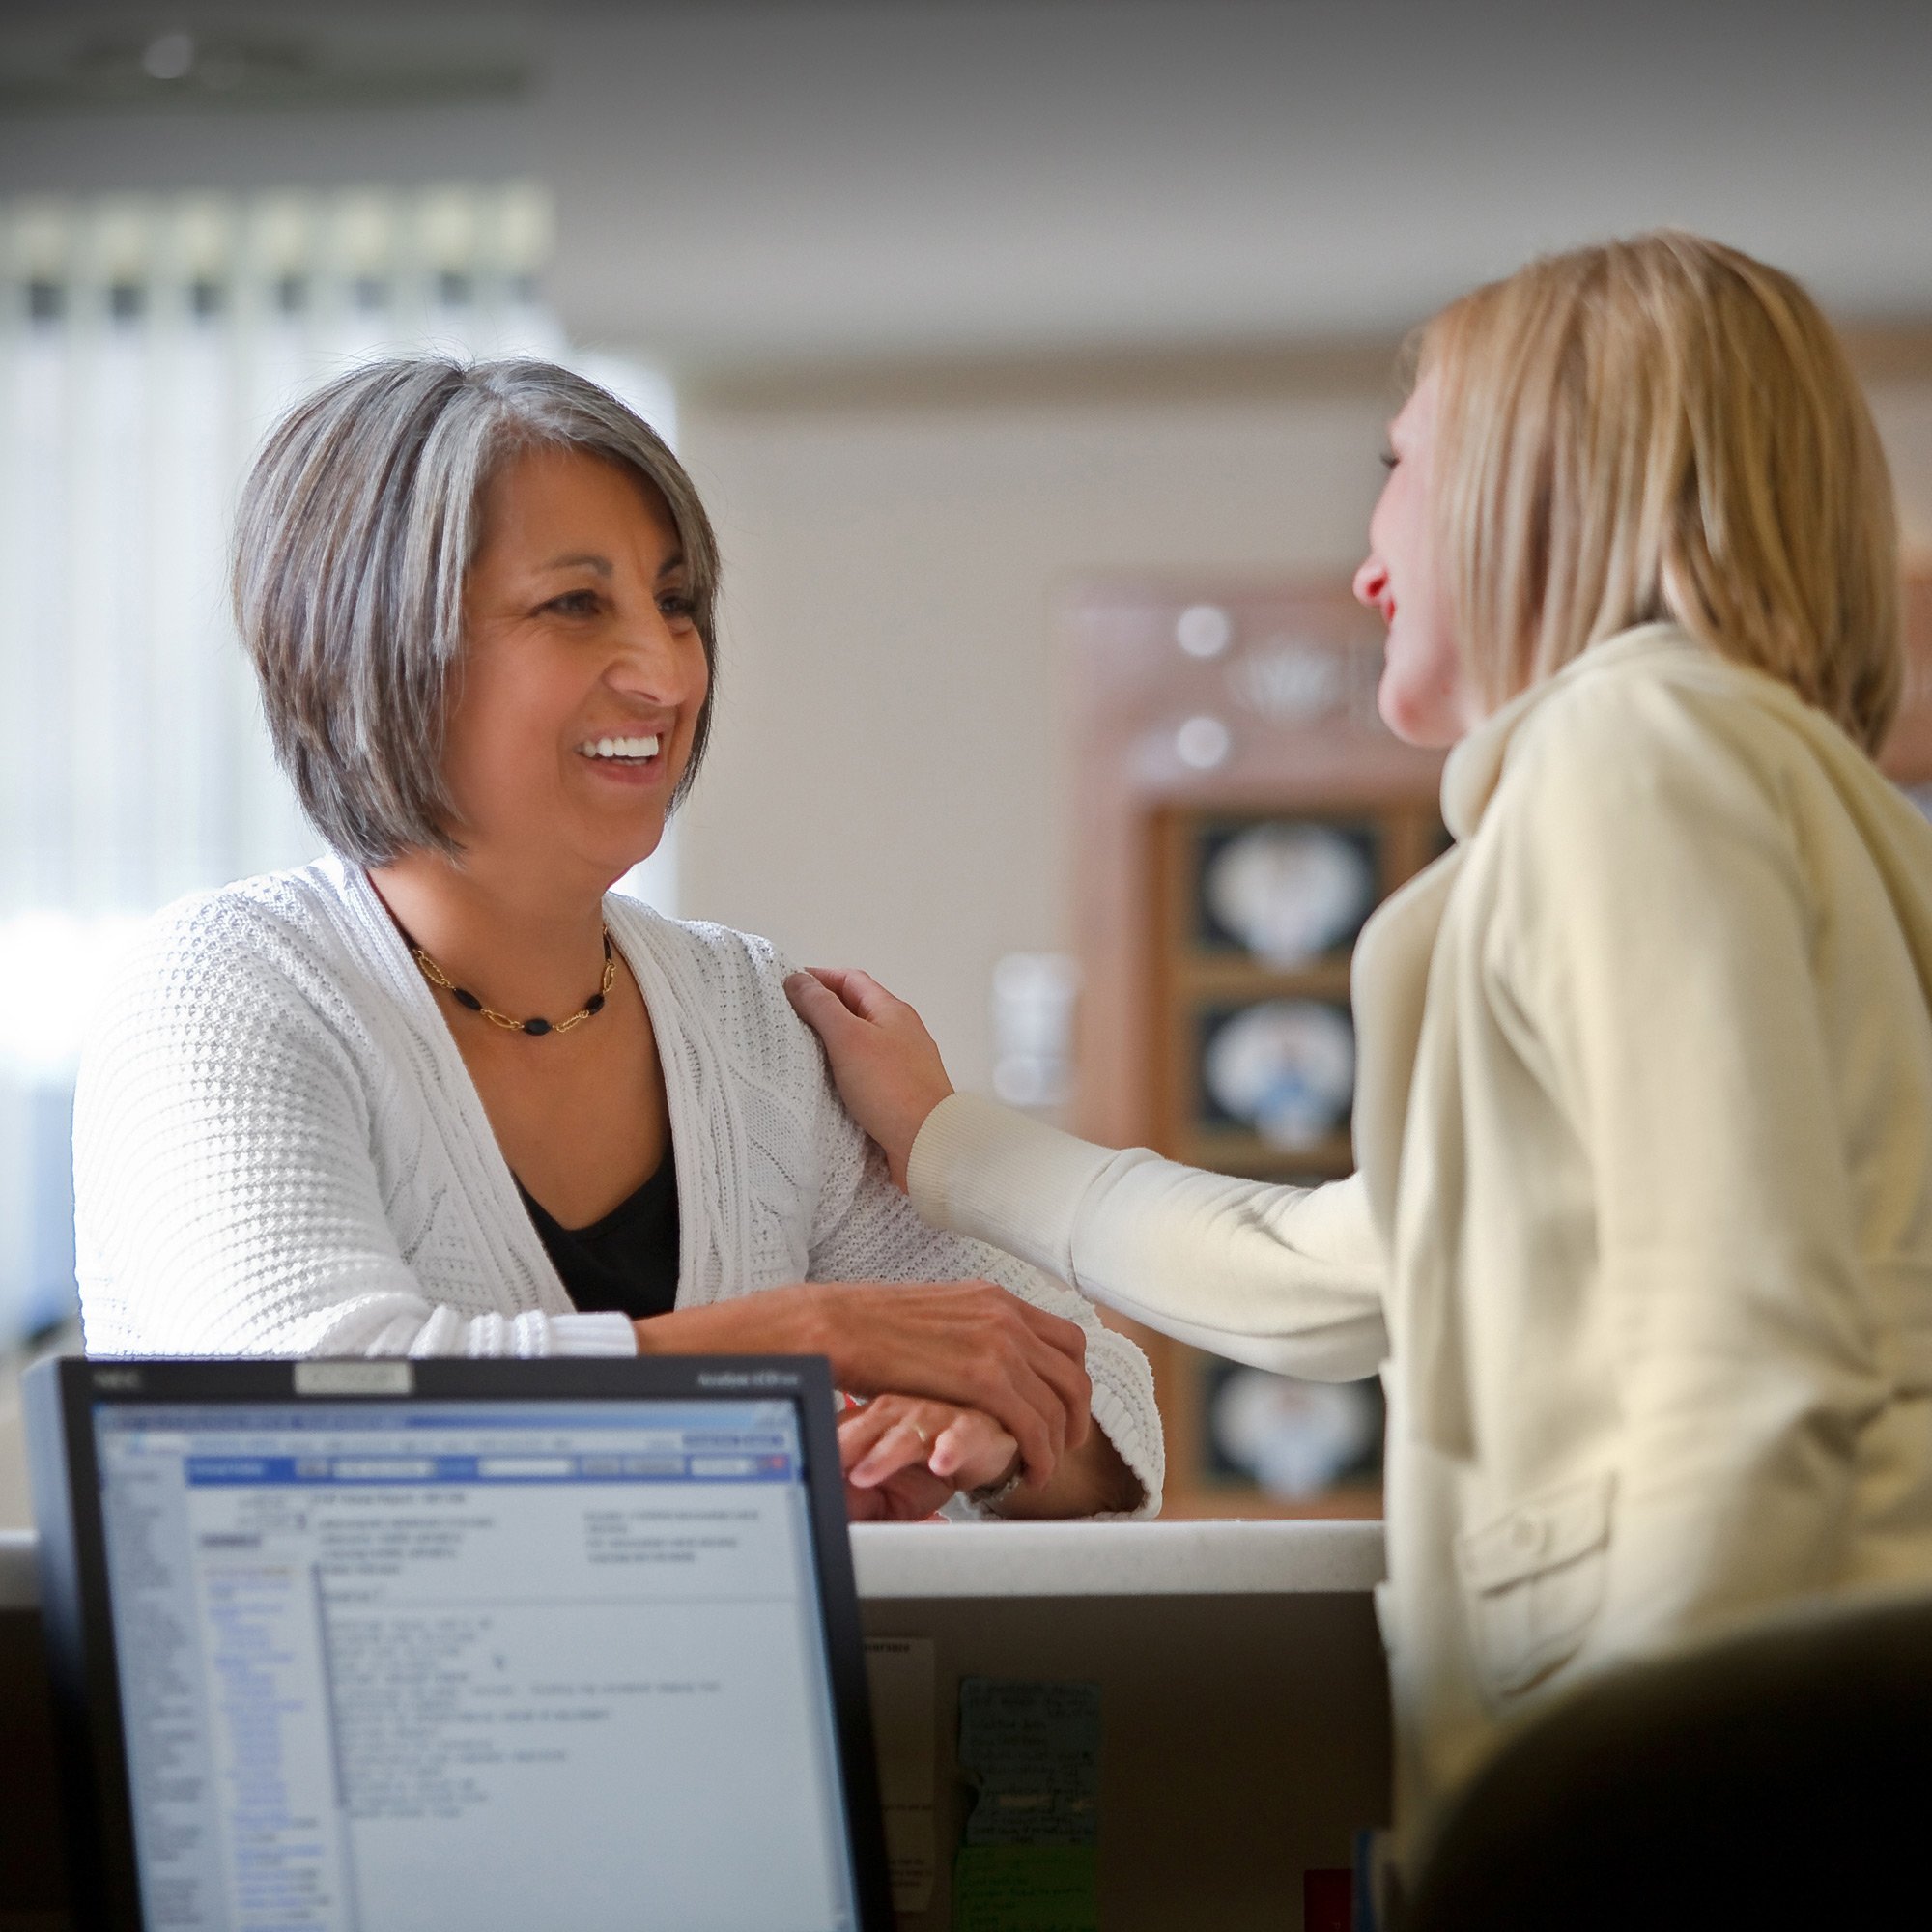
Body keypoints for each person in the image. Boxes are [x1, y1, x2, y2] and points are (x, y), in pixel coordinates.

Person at [787, 231, 1932, 1842]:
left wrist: (1643, 1802)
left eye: (1400, 467)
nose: (1369, 558)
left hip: (1715, 1762)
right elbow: (1339, 1277)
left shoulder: (1633, 754)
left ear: (1544, 482)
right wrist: (948, 1143)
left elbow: (1742, 1342)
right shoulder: (1778, 798)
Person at [72, 357, 1159, 1524]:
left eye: (677, 602)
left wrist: (983, 1442)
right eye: (575, 604)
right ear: (376, 643)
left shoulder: (752, 1017)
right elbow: (296, 1421)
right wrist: (797, 1341)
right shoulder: (227, 988)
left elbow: (1113, 1412)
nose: (666, 673)